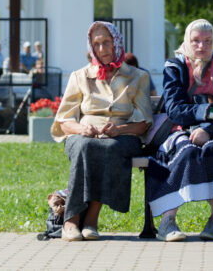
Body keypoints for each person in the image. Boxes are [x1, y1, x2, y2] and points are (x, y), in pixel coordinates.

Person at [52, 21, 153, 242]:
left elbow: (144, 122)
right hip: (83, 134)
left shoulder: (138, 76)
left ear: (116, 42)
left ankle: (91, 220)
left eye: (106, 42)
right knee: (86, 145)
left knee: (109, 146)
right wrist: (82, 128)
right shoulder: (79, 76)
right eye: (96, 44)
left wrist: (119, 129)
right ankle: (72, 220)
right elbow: (64, 120)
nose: (102, 48)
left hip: (123, 135)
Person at [146, 19, 213, 242]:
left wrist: (208, 129)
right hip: (177, 129)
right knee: (185, 150)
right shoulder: (174, 66)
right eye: (195, 41)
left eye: (207, 41)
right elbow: (175, 109)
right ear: (187, 41)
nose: (201, 46)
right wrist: (209, 111)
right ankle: (167, 222)